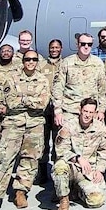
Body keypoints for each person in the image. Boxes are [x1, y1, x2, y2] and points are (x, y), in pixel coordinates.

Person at [0, 50, 50, 210]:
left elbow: (42, 104)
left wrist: (23, 99)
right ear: (23, 61)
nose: (30, 62)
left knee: (30, 160)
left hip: (35, 125)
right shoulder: (12, 78)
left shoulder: (42, 79)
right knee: (5, 159)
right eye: (27, 59)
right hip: (13, 124)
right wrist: (30, 101)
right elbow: (11, 102)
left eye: (34, 59)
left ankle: (21, 191)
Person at [52, 98, 106, 210]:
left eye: (91, 112)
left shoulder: (100, 128)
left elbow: (104, 151)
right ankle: (64, 201)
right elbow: (61, 150)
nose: (87, 115)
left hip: (88, 171)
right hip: (72, 167)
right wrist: (77, 158)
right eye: (85, 111)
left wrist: (99, 170)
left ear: (95, 113)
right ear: (80, 110)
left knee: (96, 201)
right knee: (59, 167)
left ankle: (77, 192)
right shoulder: (69, 126)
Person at [52, 32, 106, 127]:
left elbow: (102, 89)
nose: (86, 47)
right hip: (70, 112)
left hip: (91, 113)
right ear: (77, 45)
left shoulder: (98, 63)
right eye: (83, 44)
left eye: (89, 44)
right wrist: (57, 111)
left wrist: (101, 110)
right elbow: (58, 88)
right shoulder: (67, 63)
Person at [36, 38, 63, 185]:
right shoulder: (42, 65)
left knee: (59, 140)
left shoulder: (64, 64)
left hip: (59, 110)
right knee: (43, 141)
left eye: (56, 47)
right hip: (44, 109)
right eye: (52, 48)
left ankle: (58, 170)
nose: (54, 50)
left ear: (61, 49)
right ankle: (42, 171)